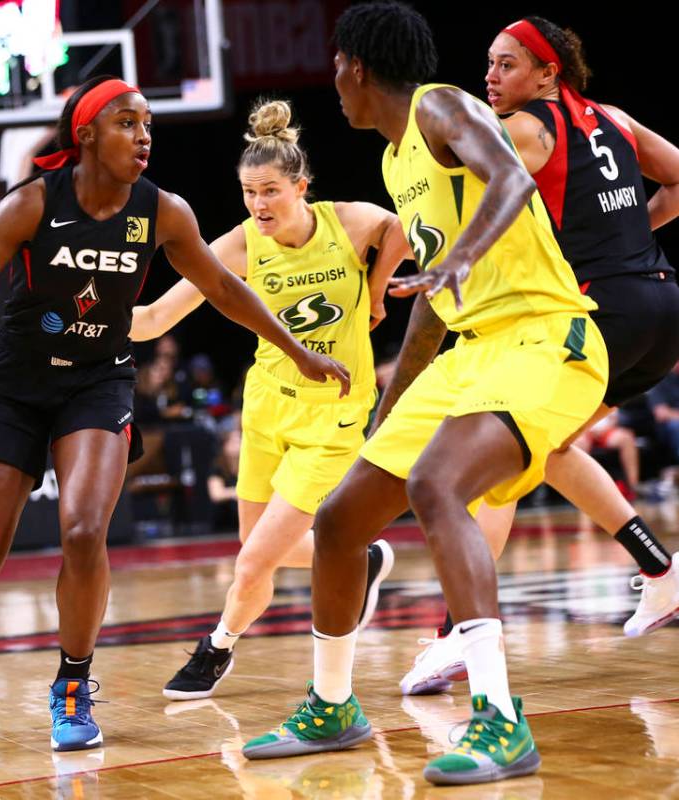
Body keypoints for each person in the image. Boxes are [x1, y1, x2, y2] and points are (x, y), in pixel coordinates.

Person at [0, 75, 349, 753]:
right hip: (13, 386)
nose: (143, 136)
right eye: (126, 124)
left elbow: (224, 287)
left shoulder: (163, 210)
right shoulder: (29, 205)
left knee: (84, 532)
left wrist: (298, 349)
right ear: (84, 136)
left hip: (98, 381)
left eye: (147, 125)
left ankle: (73, 687)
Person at [241, 3, 609, 787]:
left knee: (437, 485)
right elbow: (432, 304)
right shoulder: (393, 161)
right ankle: (334, 705)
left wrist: (460, 260)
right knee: (340, 520)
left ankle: (501, 721)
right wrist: (389, 404)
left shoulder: (442, 104)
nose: (333, 80)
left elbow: (509, 176)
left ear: (358, 66)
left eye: (337, 64)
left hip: (545, 336)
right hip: (469, 354)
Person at [403, 14, 679, 695]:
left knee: (503, 458)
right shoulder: (611, 116)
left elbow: (482, 179)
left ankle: (453, 638)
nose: (491, 77)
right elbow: (676, 176)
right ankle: (658, 570)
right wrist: (627, 234)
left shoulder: (527, 126)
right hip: (660, 302)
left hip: (597, 310)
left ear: (548, 73)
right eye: (488, 64)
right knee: (546, 450)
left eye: (506, 65)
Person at [131, 97, 408, 701]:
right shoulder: (238, 245)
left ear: (301, 186)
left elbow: (404, 230)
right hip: (265, 409)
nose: (259, 204)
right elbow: (155, 318)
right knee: (257, 549)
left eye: (270, 191)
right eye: (249, 192)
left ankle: (217, 648)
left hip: (333, 416)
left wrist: (379, 289)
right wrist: (85, 319)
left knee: (253, 562)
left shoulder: (348, 223)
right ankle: (364, 563)